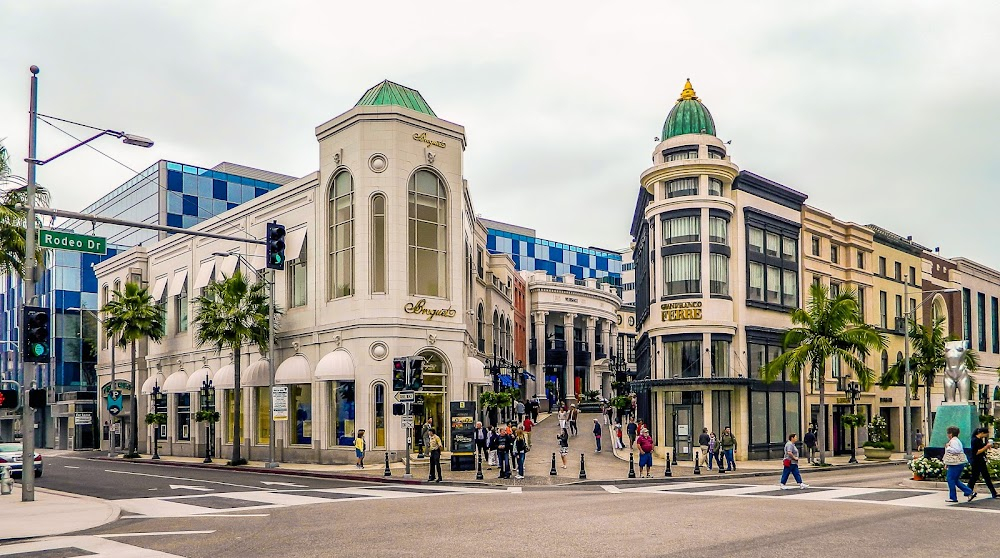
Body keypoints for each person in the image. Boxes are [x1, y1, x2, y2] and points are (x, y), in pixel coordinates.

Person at [943, 425, 975, 503]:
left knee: (950, 479)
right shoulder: (956, 440)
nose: (947, 435)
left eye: (948, 433)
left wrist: (948, 447)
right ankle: (969, 492)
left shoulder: (953, 441)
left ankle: (953, 497)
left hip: (955, 464)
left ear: (950, 434)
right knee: (955, 480)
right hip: (957, 463)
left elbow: (956, 450)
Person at [968, 427, 997, 499]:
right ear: (982, 433)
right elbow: (976, 452)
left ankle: (993, 492)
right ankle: (968, 491)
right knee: (975, 477)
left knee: (983, 476)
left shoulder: (979, 440)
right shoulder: (974, 440)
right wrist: (986, 447)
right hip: (976, 461)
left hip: (981, 460)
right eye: (986, 434)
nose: (986, 436)